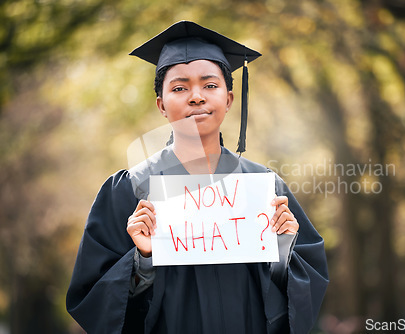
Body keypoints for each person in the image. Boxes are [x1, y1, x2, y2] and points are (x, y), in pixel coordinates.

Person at [66, 21, 329, 334]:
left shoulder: (264, 187)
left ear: (229, 100)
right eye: (179, 88)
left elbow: (305, 285)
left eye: (210, 85)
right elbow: (91, 296)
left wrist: (282, 248)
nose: (196, 97)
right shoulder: (129, 190)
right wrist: (143, 259)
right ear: (161, 106)